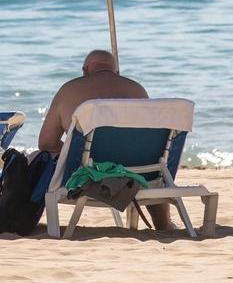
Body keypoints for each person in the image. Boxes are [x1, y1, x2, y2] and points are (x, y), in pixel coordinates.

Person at [37, 49, 172, 230]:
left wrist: (72, 152)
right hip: (139, 174)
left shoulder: (69, 90)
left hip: (88, 176)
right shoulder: (137, 90)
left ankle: (24, 219)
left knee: (40, 159)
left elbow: (46, 143)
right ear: (116, 72)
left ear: (85, 70)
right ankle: (164, 225)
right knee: (154, 168)